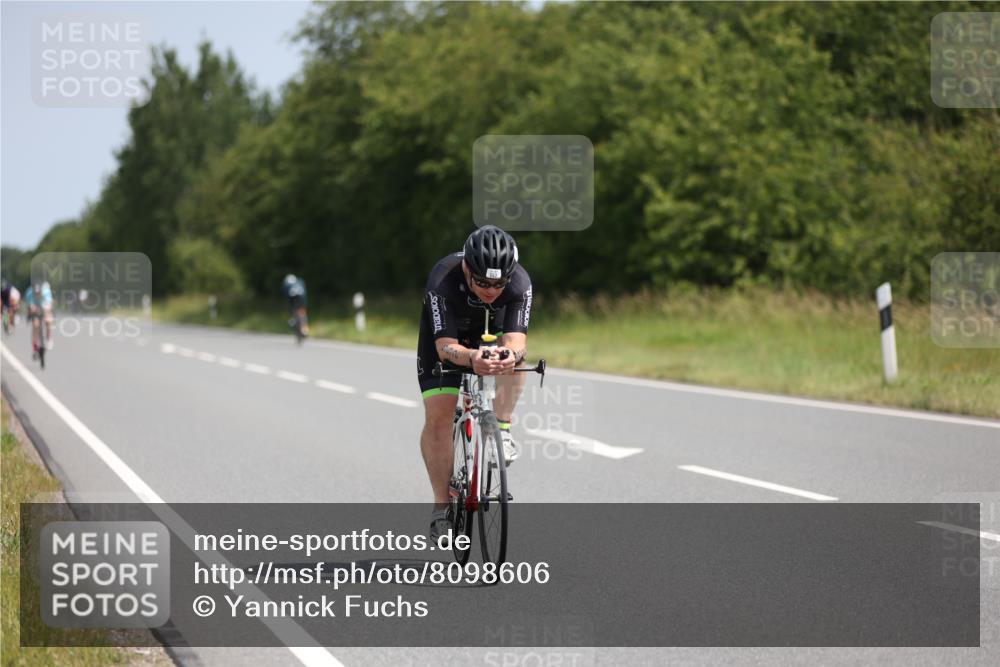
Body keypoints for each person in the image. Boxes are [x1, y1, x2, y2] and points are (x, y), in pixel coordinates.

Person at [416, 225, 533, 540]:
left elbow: (517, 340)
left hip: (490, 331)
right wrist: (470, 359)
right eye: (482, 282)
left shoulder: (520, 282)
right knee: (440, 418)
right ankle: (441, 509)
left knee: (516, 361)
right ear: (467, 268)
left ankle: (503, 430)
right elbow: (445, 348)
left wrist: (510, 355)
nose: (491, 290)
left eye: (498, 283)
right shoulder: (442, 278)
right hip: (448, 337)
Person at [24, 281, 54, 356]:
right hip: (35, 308)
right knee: (35, 325)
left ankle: (48, 338)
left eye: (38, 293)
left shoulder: (46, 292)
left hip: (44, 307)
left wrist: (46, 309)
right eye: (36, 293)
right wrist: (32, 310)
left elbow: (49, 305)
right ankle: (35, 348)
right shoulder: (29, 293)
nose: (37, 294)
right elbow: (30, 306)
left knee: (48, 320)